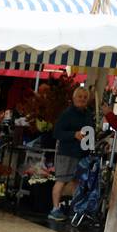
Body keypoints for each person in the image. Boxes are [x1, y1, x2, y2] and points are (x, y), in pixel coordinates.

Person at [49, 86, 95, 222]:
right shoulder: (67, 114)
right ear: (74, 98)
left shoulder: (88, 114)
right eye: (80, 96)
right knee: (61, 180)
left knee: (77, 182)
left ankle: (74, 209)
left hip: (82, 154)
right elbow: (57, 133)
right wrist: (73, 135)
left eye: (85, 97)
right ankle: (55, 209)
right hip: (66, 153)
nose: (82, 99)